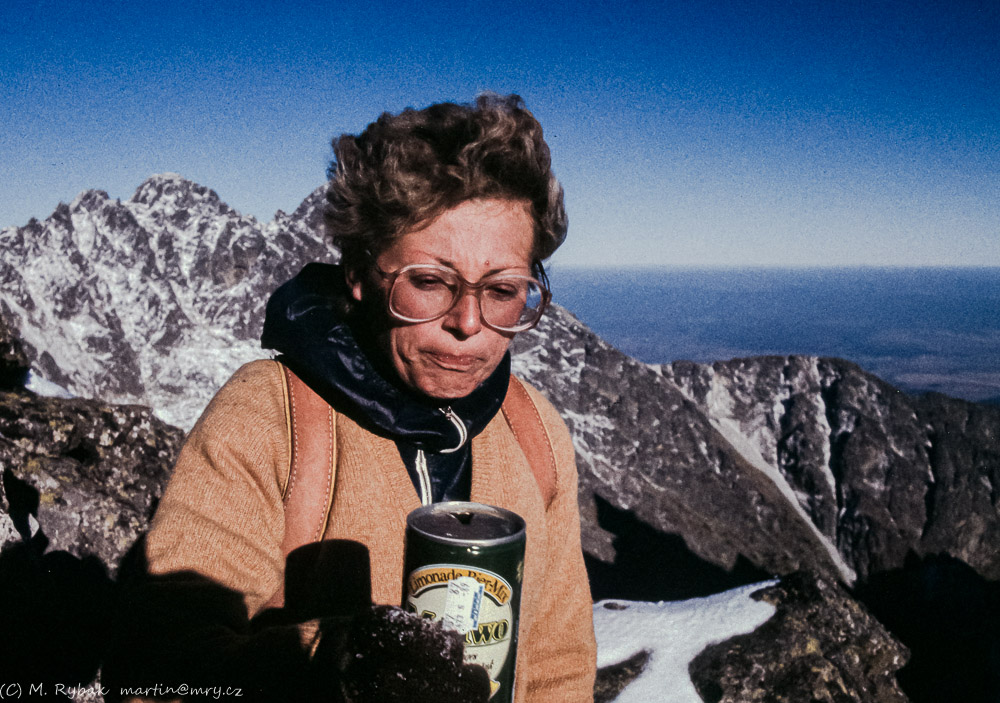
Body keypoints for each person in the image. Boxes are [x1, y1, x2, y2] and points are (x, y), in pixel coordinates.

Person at [105, 94, 596, 702]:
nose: (469, 323)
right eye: (429, 282)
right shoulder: (270, 417)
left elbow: (558, 667)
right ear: (360, 274)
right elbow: (160, 666)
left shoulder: (536, 431)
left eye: (502, 290)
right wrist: (334, 661)